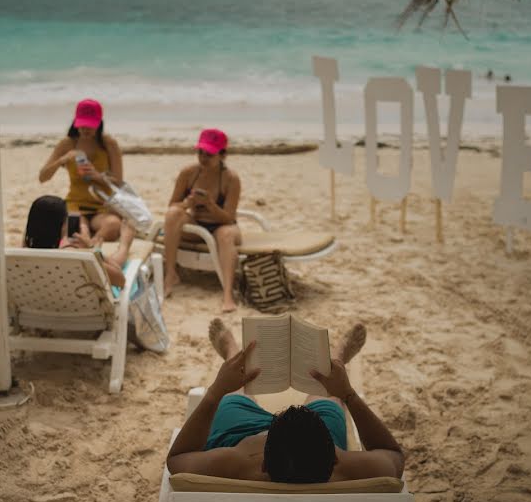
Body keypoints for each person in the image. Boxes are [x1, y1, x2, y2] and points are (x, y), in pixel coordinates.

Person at [166, 320, 405, 483]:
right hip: (312, 451)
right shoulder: (351, 471)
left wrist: (216, 391)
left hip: (241, 436)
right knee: (329, 402)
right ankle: (338, 361)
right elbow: (392, 453)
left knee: (232, 399)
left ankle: (232, 354)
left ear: (262, 465)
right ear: (334, 458)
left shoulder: (233, 465)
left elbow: (177, 458)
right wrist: (349, 395)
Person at [38, 99, 133, 257]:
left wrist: (97, 175)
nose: (85, 129)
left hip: (102, 205)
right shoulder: (68, 144)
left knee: (113, 224)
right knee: (77, 227)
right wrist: (62, 160)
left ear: (99, 123)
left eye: (90, 125)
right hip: (75, 204)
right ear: (75, 121)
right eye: (82, 124)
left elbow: (119, 181)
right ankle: (88, 246)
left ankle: (92, 247)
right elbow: (43, 177)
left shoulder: (108, 143)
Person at [163, 128, 241, 312]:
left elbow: (229, 218)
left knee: (226, 235)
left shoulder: (231, 179)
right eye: (200, 153)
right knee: (173, 214)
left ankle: (228, 295)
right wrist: (188, 203)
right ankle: (170, 274)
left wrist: (211, 205)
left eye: (209, 154)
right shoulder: (189, 173)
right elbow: (172, 205)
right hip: (197, 227)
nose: (203, 158)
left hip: (222, 225)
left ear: (222, 155)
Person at [23, 195, 129, 289]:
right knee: (116, 259)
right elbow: (120, 280)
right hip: (85, 308)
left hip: (41, 306)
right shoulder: (75, 257)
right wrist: (92, 250)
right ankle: (125, 243)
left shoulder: (20, 258)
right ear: (63, 225)